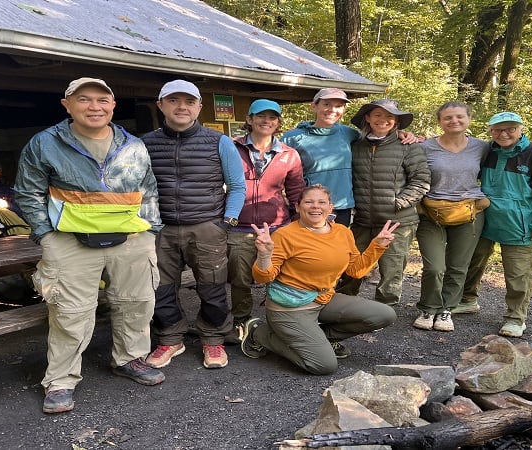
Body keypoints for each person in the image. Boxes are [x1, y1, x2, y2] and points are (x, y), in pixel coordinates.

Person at [14, 77, 164, 414]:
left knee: (137, 302)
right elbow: (27, 192)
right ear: (67, 105)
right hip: (69, 240)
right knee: (70, 310)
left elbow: (149, 189)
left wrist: (151, 230)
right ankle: (61, 379)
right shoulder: (45, 143)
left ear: (112, 106)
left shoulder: (133, 145)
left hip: (132, 239)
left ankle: (129, 359)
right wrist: (46, 234)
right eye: (84, 100)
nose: (94, 107)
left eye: (102, 100)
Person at [240, 184, 399, 375]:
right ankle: (259, 333)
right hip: (290, 308)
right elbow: (263, 276)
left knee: (384, 314)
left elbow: (356, 270)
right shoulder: (285, 235)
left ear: (331, 208)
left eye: (321, 202)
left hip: (324, 299)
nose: (316, 206)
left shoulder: (343, 232)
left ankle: (321, 339)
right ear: (298, 207)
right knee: (323, 365)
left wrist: (378, 245)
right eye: (309, 202)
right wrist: (264, 255)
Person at [143, 80, 246, 370]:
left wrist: (227, 222)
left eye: (189, 102)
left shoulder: (219, 142)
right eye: (173, 100)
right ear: (160, 105)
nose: (182, 107)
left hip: (207, 226)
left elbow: (237, 186)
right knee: (160, 287)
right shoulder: (145, 143)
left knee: (212, 287)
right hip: (159, 229)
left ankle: (213, 339)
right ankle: (170, 337)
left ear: (199, 107)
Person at [461, 112, 532, 337]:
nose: (503, 134)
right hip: (485, 219)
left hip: (521, 224)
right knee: (471, 261)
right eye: (497, 129)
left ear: (521, 129)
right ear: (490, 131)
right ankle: (467, 299)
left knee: (518, 273)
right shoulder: (488, 151)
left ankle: (516, 318)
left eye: (510, 129)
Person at [335, 99, 430, 307]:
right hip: (362, 219)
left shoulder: (408, 147)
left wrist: (398, 203)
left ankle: (384, 310)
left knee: (392, 268)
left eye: (390, 116)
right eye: (378, 115)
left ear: (396, 121)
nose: (383, 120)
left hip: (397, 220)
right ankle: (342, 304)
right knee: (351, 263)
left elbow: (421, 180)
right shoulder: (355, 145)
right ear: (367, 118)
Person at [227, 99, 304, 339]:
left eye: (272, 117)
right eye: (261, 116)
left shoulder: (289, 155)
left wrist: (301, 223)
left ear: (278, 123)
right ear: (249, 119)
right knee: (239, 279)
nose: (266, 121)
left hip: (277, 226)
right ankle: (241, 321)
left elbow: (296, 192)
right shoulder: (231, 147)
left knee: (280, 276)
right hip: (239, 226)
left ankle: (278, 321)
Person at [413, 101, 490, 332]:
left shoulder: (482, 148)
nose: (454, 121)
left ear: (469, 119)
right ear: (440, 122)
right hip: (432, 213)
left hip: (470, 213)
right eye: (448, 118)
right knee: (435, 266)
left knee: (458, 266)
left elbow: (494, 174)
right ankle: (428, 307)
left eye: (459, 117)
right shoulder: (425, 147)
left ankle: (446, 309)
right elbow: (412, 175)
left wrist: (486, 200)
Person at [281, 88, 356, 225]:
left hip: (342, 206)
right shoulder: (292, 138)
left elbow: (376, 140)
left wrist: (399, 134)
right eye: (326, 104)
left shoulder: (349, 133)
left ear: (344, 110)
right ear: (314, 106)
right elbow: (278, 172)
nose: (332, 110)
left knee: (338, 246)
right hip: (310, 207)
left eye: (338, 106)